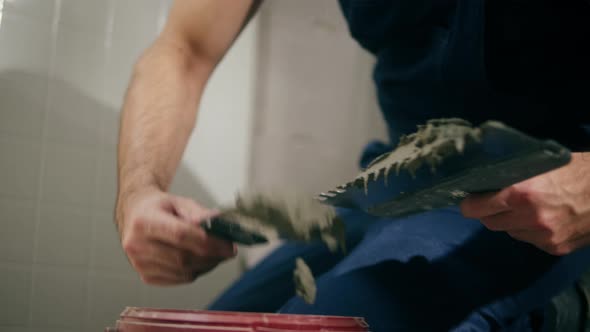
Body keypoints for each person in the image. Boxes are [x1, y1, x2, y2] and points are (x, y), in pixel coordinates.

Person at [115, 0, 590, 330]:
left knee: (344, 317)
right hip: (397, 190)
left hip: (549, 204)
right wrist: (140, 191)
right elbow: (185, 50)